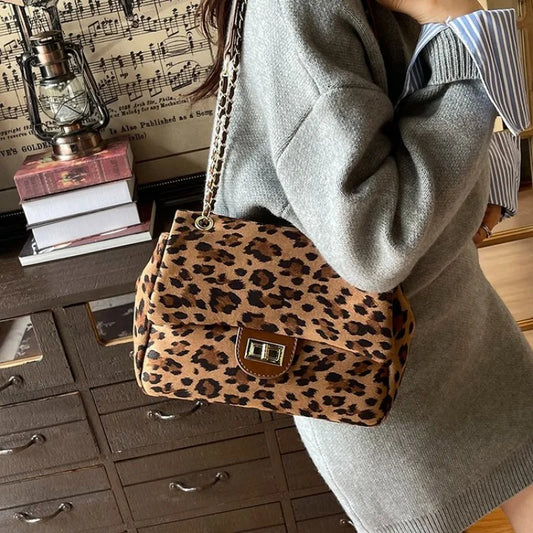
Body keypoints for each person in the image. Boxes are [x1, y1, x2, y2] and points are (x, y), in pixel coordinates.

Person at [187, 0, 533, 531]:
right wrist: (459, 22)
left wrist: (492, 173)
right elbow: (373, 247)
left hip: (463, 321)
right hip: (374, 371)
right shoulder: (296, 9)